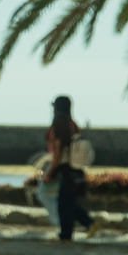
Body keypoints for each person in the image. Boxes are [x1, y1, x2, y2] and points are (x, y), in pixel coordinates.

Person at [45, 95, 94, 242]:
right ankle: (85, 226)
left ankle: (68, 233)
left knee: (64, 204)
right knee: (69, 202)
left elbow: (58, 152)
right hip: (76, 170)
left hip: (65, 170)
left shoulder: (59, 124)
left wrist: (51, 171)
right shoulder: (73, 124)